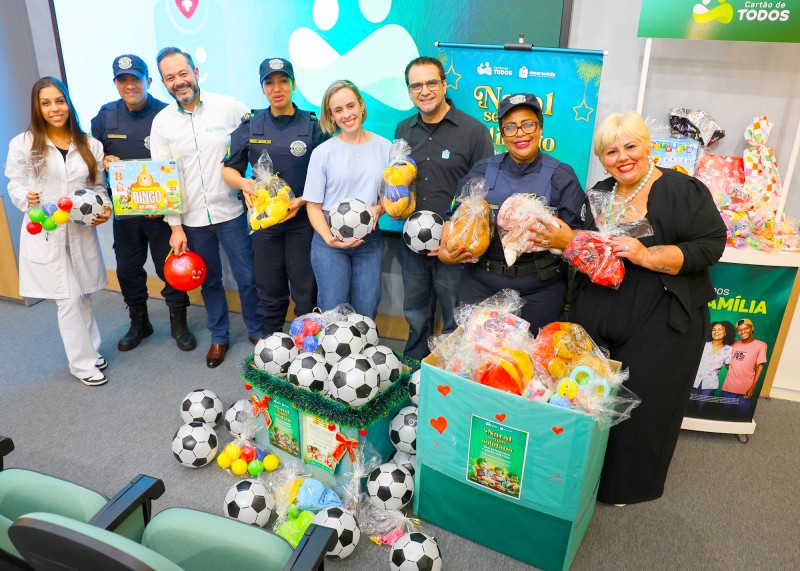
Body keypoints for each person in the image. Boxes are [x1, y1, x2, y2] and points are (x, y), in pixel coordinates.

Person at [535, 111, 727, 505]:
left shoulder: (683, 190)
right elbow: (590, 255)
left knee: (645, 407)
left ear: (647, 146)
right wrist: (567, 243)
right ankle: (583, 479)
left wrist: (645, 253)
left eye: (630, 146)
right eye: (610, 151)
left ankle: (627, 486)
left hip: (661, 317)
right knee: (590, 398)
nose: (622, 157)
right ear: (602, 158)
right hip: (599, 314)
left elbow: (710, 246)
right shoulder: (599, 193)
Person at [149, 47, 263, 368]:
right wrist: (174, 226)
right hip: (193, 219)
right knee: (209, 280)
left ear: (196, 73)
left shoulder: (228, 107)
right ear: (164, 83)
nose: (179, 82)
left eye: (183, 73)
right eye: (170, 78)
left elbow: (258, 134)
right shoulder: (162, 123)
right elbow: (163, 179)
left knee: (247, 276)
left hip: (232, 212)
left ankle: (256, 330)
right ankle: (219, 336)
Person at [438, 93, 585, 329]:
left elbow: (582, 238)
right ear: (502, 134)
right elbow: (453, 216)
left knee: (532, 363)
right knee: (476, 360)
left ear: (539, 128)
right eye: (510, 127)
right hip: (480, 287)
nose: (520, 133)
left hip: (540, 292)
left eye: (528, 124)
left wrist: (566, 239)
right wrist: (446, 251)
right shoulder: (482, 171)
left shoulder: (561, 175)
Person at [5, 77, 112, 386]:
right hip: (47, 229)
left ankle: (91, 350)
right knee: (68, 298)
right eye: (46, 103)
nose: (55, 108)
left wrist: (104, 208)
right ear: (37, 108)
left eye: (59, 101)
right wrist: (26, 197)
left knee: (84, 294)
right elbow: (15, 181)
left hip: (79, 230)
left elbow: (97, 188)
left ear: (69, 103)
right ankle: (81, 364)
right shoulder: (23, 143)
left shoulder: (89, 143)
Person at [90, 54, 196, 353]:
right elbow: (90, 154)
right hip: (126, 214)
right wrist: (103, 160)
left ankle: (179, 323)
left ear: (148, 81)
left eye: (135, 79)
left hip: (162, 213)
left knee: (170, 268)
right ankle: (140, 322)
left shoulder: (167, 114)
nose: (129, 85)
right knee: (126, 268)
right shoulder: (105, 116)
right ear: (116, 84)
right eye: (123, 80)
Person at [394, 56, 494, 360]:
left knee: (455, 317)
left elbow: (484, 192)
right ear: (409, 92)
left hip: (456, 246)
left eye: (431, 83)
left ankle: (449, 378)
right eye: (416, 86)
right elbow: (396, 180)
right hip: (413, 242)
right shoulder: (403, 130)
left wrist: (453, 231)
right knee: (415, 312)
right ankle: (412, 369)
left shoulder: (474, 131)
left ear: (443, 85)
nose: (424, 91)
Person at [222, 58, 328, 337]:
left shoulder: (313, 125)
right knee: (269, 285)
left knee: (305, 287)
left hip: (303, 221)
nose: (277, 88)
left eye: (283, 81)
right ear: (262, 87)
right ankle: (271, 342)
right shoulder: (251, 124)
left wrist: (304, 199)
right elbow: (228, 170)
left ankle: (306, 343)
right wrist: (245, 183)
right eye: (269, 82)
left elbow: (329, 175)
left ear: (294, 84)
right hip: (264, 223)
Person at [303, 80, 390, 318]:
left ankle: (363, 354)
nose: (347, 114)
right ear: (330, 116)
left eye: (350, 106)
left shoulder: (385, 147)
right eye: (338, 110)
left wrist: (378, 210)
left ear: (361, 105)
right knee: (333, 311)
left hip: (369, 242)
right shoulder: (323, 152)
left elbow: (388, 196)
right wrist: (329, 238)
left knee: (366, 309)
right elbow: (313, 205)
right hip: (330, 243)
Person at [719, 318, 768, 414]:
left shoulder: (761, 345)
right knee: (724, 415)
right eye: (740, 330)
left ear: (752, 328)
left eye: (746, 328)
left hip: (746, 390)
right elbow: (726, 359)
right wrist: (733, 370)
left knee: (742, 416)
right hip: (728, 388)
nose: (743, 332)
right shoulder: (733, 344)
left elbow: (760, 366)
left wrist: (753, 387)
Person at [689, 320, 735, 409]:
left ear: (725, 333)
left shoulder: (728, 350)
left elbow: (730, 367)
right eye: (714, 329)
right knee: (686, 407)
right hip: (693, 381)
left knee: (700, 409)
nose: (716, 332)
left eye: (720, 329)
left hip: (710, 385)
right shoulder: (703, 344)